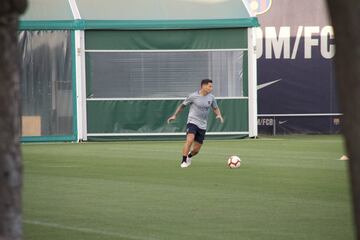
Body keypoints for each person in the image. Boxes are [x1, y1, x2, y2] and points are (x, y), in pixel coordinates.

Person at [167, 79, 224, 168]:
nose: (211, 88)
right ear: (203, 86)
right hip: (192, 121)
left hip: (203, 125)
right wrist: (174, 116)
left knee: (196, 150)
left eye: (212, 86)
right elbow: (182, 106)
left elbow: (215, 108)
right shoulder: (193, 96)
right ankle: (184, 160)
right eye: (210, 86)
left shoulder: (211, 97)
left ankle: (189, 156)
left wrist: (219, 115)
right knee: (190, 139)